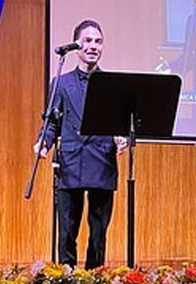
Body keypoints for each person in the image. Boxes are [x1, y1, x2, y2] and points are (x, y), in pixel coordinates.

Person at [34, 20, 127, 269]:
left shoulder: (112, 84)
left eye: (98, 41)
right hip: (70, 162)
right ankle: (67, 281)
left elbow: (121, 124)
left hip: (102, 161)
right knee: (67, 231)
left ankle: (95, 281)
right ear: (77, 45)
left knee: (98, 234)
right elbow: (51, 122)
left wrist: (122, 138)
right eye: (87, 41)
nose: (93, 46)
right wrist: (43, 142)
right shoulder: (61, 83)